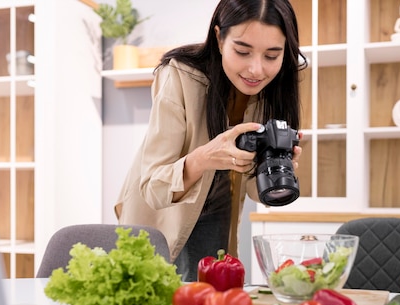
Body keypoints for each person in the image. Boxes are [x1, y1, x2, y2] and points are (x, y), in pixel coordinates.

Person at [114, 0, 307, 282]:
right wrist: (205, 157)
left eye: (271, 55)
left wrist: (274, 167)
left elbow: (255, 193)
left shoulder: (277, 87)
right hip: (161, 214)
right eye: (242, 51)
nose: (256, 70)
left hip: (219, 209)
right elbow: (153, 187)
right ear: (218, 38)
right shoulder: (180, 74)